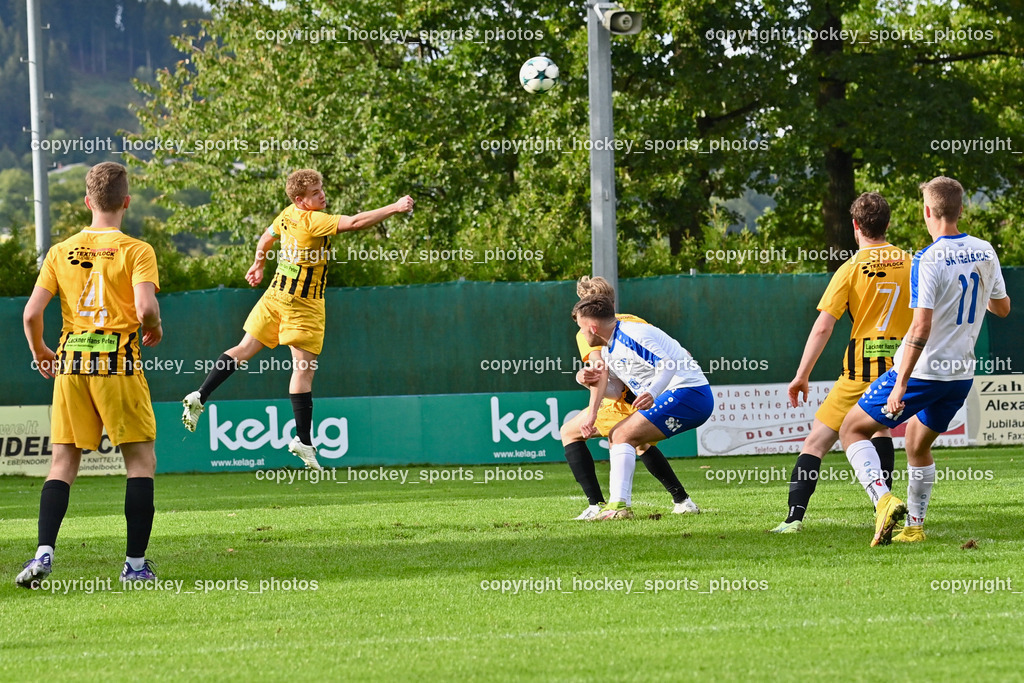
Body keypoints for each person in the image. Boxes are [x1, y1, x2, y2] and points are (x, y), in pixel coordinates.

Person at [181, 170, 413, 469]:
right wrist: (394, 207)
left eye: (321, 189)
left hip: (275, 295)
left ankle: (200, 395)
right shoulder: (313, 221)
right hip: (304, 304)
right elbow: (355, 222)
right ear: (300, 200)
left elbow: (266, 238)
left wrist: (258, 263)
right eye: (316, 193)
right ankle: (303, 440)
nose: (322, 195)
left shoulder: (287, 215)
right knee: (303, 370)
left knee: (243, 350)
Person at [839, 176, 1010, 546]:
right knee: (917, 444)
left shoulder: (927, 258)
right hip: (960, 374)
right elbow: (1002, 308)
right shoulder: (985, 250)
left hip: (925, 371)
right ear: (961, 210)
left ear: (927, 211)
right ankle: (914, 527)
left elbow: (920, 327)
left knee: (851, 429)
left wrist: (900, 382)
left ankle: (882, 500)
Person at [17, 162, 163, 587]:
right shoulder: (137, 250)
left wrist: (42, 351)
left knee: (62, 462)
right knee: (139, 463)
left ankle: (44, 553)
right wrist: (153, 328)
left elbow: (31, 315)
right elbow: (146, 310)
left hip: (71, 363)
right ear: (126, 202)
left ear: (87, 202)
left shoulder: (60, 251)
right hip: (116, 363)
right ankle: (134, 566)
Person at [771, 192, 912, 533]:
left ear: (855, 226)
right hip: (899, 370)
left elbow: (824, 325)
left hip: (860, 370)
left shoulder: (849, 269)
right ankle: (884, 505)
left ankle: (794, 518)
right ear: (888, 224)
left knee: (816, 443)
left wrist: (802, 375)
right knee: (879, 430)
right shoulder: (912, 262)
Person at [561, 277, 700, 520]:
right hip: (650, 392)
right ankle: (682, 500)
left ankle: (598, 505)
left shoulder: (590, 332)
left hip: (631, 396)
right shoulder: (631, 320)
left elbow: (599, 372)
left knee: (571, 432)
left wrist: (591, 406)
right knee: (639, 444)